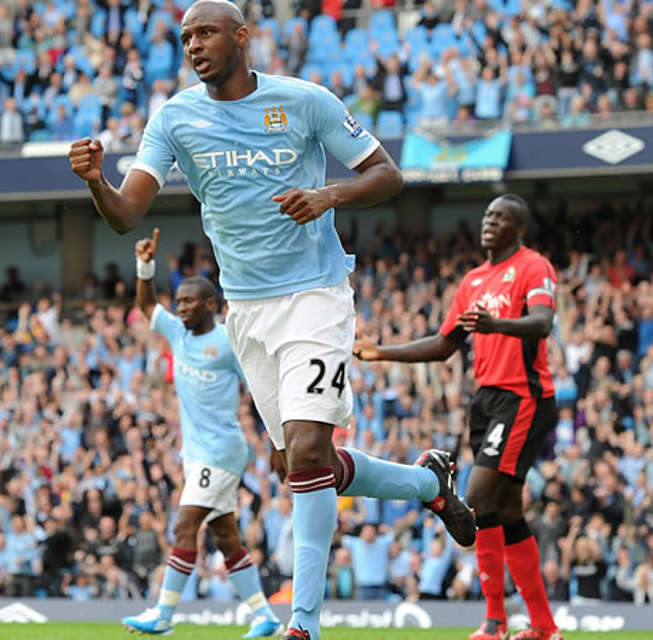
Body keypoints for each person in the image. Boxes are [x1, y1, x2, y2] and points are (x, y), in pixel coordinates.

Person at [68, 3, 474, 638]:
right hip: (246, 310)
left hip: (315, 292)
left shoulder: (305, 101)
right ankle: (427, 484)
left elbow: (386, 174)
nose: (193, 46)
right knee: (300, 468)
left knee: (309, 451)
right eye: (184, 38)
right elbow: (125, 215)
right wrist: (96, 181)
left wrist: (327, 195)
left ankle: (302, 625)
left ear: (241, 36)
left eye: (204, 33)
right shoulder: (173, 118)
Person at [354, 194, 562, 640]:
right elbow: (445, 344)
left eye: (501, 217)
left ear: (519, 228)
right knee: (506, 511)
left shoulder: (533, 267)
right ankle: (543, 627)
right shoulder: (473, 281)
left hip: (523, 397)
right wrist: (380, 352)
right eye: (487, 215)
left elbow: (543, 322)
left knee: (479, 494)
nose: (490, 222)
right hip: (484, 400)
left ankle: (494, 621)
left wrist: (497, 326)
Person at [120, 229, 281, 637]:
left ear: (212, 304)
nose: (183, 309)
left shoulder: (228, 341)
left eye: (191, 302)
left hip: (221, 451)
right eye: (180, 303)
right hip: (197, 454)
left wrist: (279, 442)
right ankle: (264, 615)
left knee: (184, 525)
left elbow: (263, 386)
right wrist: (145, 265)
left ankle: (164, 614)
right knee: (227, 538)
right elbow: (144, 304)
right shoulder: (178, 333)